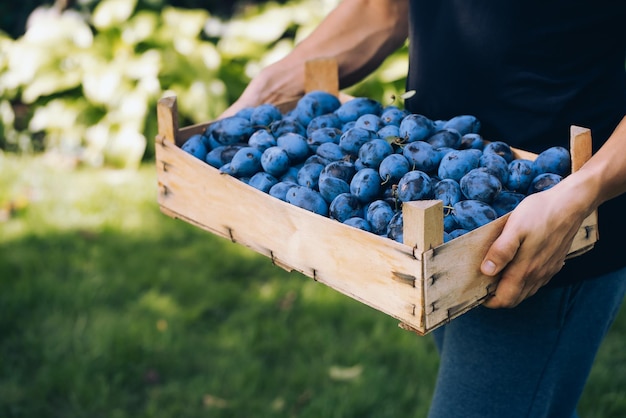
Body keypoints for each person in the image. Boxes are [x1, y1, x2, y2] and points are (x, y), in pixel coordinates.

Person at [221, 1, 626, 416]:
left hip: (548, 227)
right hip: (433, 212)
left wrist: (583, 191)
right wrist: (275, 84)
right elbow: (384, 10)